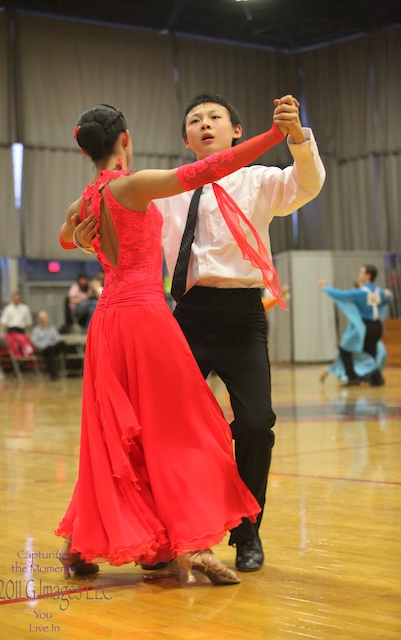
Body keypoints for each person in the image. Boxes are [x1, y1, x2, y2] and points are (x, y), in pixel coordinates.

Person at [56, 102, 289, 584]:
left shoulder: (90, 195)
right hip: (145, 318)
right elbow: (210, 168)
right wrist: (271, 136)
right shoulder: (134, 183)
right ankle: (195, 542)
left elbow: (66, 237)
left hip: (107, 322)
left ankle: (90, 542)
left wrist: (83, 242)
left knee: (117, 436)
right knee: (185, 429)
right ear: (125, 139)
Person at [152, 93, 326, 572]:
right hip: (186, 317)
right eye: (194, 120)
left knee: (254, 426)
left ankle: (247, 529)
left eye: (214, 118)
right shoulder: (168, 190)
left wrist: (296, 138)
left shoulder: (259, 180)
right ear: (185, 140)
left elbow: (307, 185)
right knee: (167, 429)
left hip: (243, 316)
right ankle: (170, 531)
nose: (204, 124)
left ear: (236, 131)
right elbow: (129, 234)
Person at [319, 265, 393, 386]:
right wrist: (389, 294)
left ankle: (353, 378)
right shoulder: (379, 291)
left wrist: (324, 288)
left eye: (361, 272)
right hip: (377, 326)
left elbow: (341, 295)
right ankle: (376, 379)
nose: (359, 274)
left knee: (345, 349)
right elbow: (388, 299)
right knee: (369, 352)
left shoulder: (361, 293)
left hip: (366, 326)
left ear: (368, 275)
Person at [0, 291, 35, 358]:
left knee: (23, 343)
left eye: (17, 298)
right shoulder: (8, 308)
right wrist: (1, 332)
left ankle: (24, 357)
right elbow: (3, 321)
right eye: (15, 298)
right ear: (12, 298)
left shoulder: (25, 308)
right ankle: (15, 358)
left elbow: (28, 322)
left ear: (19, 299)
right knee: (11, 345)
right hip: (11, 331)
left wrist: (28, 332)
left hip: (20, 330)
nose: (16, 300)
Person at [30, 311, 66, 380]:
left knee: (62, 344)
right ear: (39, 320)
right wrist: (47, 345)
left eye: (44, 318)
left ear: (47, 318)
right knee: (50, 351)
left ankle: (68, 369)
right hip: (43, 350)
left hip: (53, 348)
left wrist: (52, 345)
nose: (43, 320)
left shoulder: (52, 329)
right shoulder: (36, 331)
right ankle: (54, 375)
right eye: (41, 318)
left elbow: (57, 339)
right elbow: (35, 342)